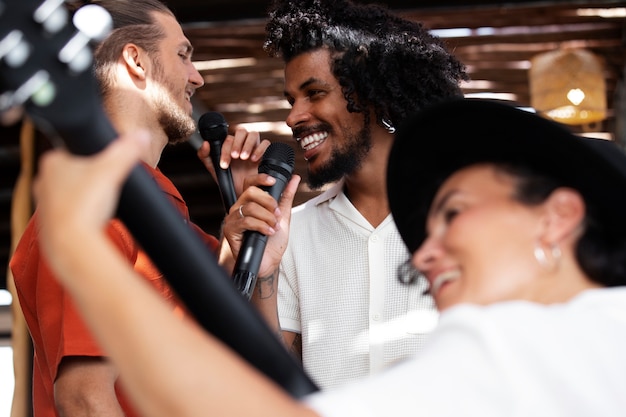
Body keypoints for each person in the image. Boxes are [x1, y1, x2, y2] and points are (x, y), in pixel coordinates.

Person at [33, 98, 626, 416]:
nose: (425, 254)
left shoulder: (514, 343)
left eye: (453, 213)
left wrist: (83, 257)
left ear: (559, 217)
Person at [8, 1, 299, 416]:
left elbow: (261, 380)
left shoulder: (178, 228)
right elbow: (85, 400)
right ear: (136, 61)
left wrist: (253, 251)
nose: (197, 77)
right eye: (183, 55)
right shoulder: (97, 210)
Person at [241, 0, 468, 389]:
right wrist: (265, 273)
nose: (293, 116)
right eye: (291, 99)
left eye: (313, 93)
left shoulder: (469, 219)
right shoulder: (293, 232)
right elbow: (270, 383)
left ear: (373, 94)